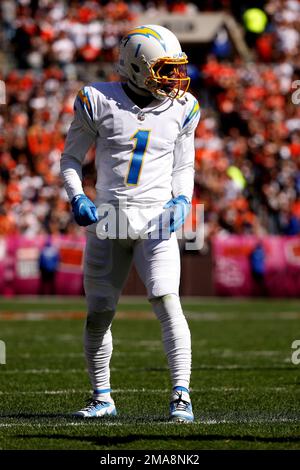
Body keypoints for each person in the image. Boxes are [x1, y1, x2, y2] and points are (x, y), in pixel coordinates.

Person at [60, 24, 200, 422]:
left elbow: (184, 164)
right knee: (98, 312)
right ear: (138, 67)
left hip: (155, 219)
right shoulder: (96, 99)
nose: (174, 77)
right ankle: (102, 396)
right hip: (108, 219)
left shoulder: (183, 106)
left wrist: (182, 198)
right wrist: (78, 195)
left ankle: (181, 395)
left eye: (175, 69)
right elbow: (70, 158)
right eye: (164, 68)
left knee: (167, 301)